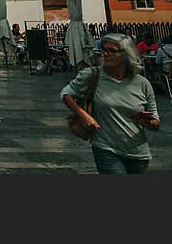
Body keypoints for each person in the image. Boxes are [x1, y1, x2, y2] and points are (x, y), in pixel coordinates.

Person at [61, 33, 159, 174]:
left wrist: (149, 122)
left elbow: (155, 120)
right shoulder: (93, 75)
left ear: (126, 54)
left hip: (138, 152)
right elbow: (66, 94)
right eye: (104, 50)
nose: (105, 54)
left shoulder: (142, 83)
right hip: (106, 148)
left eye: (111, 50)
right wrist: (83, 115)